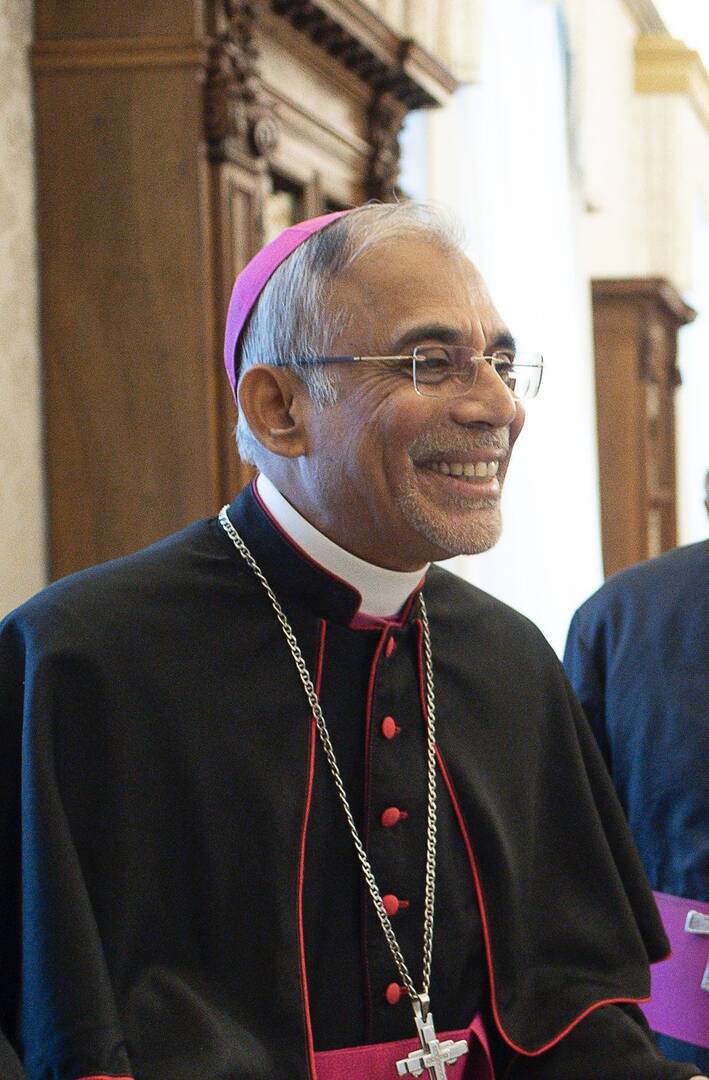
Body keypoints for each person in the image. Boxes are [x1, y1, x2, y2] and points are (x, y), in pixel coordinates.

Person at [0, 202, 705, 1080]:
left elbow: (580, 1015)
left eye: (499, 361)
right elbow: (62, 1031)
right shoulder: (77, 663)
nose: (497, 405)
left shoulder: (508, 660)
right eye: (429, 361)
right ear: (279, 406)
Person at [564, 534, 709, 1073]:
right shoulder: (613, 617)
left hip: (658, 1032)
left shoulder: (614, 611)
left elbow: (573, 857)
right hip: (665, 1013)